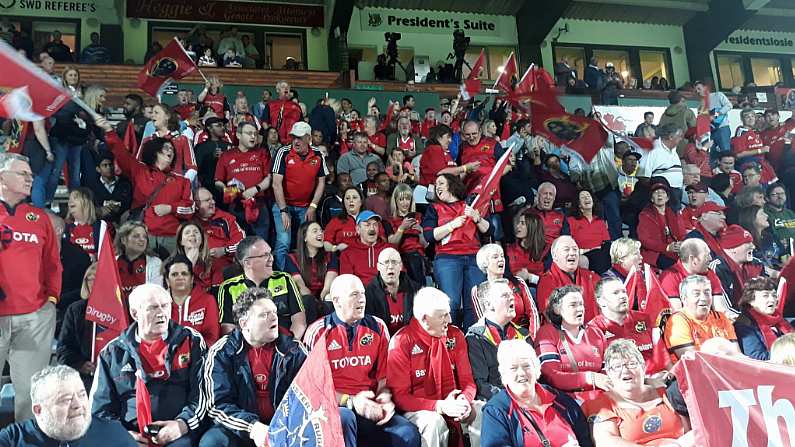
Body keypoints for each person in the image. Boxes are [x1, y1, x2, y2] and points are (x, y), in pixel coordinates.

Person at [304, 275, 421, 447]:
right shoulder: (318, 332)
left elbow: (384, 377)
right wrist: (350, 401)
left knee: (407, 434)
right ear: (336, 301)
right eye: (354, 295)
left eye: (363, 294)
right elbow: (312, 390)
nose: (362, 300)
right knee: (346, 419)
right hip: (335, 408)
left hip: (370, 407)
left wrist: (384, 398)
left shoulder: (378, 326)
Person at [92, 284, 208, 446]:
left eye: (165, 306)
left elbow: (203, 395)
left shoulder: (191, 340)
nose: (161, 312)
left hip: (179, 432)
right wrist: (122, 435)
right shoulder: (112, 351)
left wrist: (182, 424)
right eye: (153, 307)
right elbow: (100, 409)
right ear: (135, 313)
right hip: (130, 434)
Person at [201, 288, 307, 447]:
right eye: (264, 315)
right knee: (213, 441)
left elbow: (310, 395)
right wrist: (252, 427)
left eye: (274, 312)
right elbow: (217, 406)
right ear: (244, 323)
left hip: (286, 426)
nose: (274, 318)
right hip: (241, 429)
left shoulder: (293, 350)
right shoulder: (222, 352)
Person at [0, 152, 62, 421]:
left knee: (31, 395)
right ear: (2, 177)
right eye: (22, 174)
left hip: (35, 315)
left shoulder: (39, 218)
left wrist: (51, 300)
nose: (30, 179)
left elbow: (52, 263)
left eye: (30, 174)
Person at [387, 287, 479, 447]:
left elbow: (468, 382)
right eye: (443, 315)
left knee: (484, 411)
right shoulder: (402, 342)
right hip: (418, 409)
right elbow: (400, 397)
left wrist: (464, 400)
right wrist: (440, 406)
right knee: (434, 422)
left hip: (454, 403)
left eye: (448, 313)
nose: (450, 320)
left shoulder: (455, 335)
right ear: (424, 319)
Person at [100, 118, 195, 257]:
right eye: (166, 148)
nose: (171, 151)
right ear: (155, 151)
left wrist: (170, 208)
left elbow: (191, 208)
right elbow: (121, 153)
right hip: (142, 236)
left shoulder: (182, 181)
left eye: (172, 149)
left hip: (171, 237)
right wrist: (109, 131)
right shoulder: (140, 170)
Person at [480, 340, 592, 447]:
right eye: (513, 368)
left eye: (526, 366)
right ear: (504, 375)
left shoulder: (560, 399)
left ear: (536, 368)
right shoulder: (496, 411)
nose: (522, 373)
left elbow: (585, 440)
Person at [582, 340, 689, 446]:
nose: (625, 371)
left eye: (632, 364)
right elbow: (606, 441)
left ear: (643, 368)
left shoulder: (667, 393)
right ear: (608, 373)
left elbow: (693, 428)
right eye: (617, 367)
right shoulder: (601, 405)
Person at [0, 365, 136, 446]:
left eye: (82, 395)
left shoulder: (114, 435)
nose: (77, 405)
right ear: (39, 410)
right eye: (65, 400)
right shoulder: (13, 440)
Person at [422, 173, 490, 328]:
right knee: (451, 303)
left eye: (440, 183)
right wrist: (451, 225)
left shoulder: (471, 206)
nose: (436, 187)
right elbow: (429, 235)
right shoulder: (434, 208)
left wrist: (476, 217)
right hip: (448, 258)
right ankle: (450, 338)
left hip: (474, 258)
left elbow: (489, 230)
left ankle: (471, 339)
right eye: (436, 184)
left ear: (452, 184)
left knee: (474, 304)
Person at [217, 236, 306, 338]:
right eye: (265, 255)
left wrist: (288, 348)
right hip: (247, 348)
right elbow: (228, 329)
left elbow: (299, 323)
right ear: (248, 263)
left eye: (270, 253)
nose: (271, 259)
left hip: (284, 345)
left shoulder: (284, 279)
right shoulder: (228, 288)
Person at [535, 285, 609, 399]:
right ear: (557, 309)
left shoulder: (596, 334)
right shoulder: (547, 333)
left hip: (602, 398)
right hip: (566, 401)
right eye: (573, 305)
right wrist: (590, 378)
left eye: (581, 304)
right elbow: (551, 376)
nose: (580, 309)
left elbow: (608, 371)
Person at [271, 121, 328, 270]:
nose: (296, 141)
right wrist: (283, 210)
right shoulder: (282, 152)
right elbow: (276, 184)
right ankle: (284, 277)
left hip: (306, 207)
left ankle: (306, 274)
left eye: (300, 137)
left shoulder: (318, 154)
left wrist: (313, 207)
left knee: (308, 242)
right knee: (284, 241)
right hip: (284, 206)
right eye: (293, 137)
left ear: (309, 139)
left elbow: (321, 182)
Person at [467, 278, 533, 402]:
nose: (512, 297)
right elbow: (480, 385)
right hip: (497, 404)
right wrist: (511, 398)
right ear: (488, 304)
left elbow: (535, 374)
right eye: (505, 295)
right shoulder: (475, 337)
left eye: (512, 293)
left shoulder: (523, 334)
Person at [587, 277, 670, 375]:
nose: (623, 296)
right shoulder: (593, 329)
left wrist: (672, 375)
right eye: (615, 293)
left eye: (624, 292)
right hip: (623, 384)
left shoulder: (645, 319)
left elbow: (663, 358)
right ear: (601, 302)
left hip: (657, 378)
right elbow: (599, 372)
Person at [214, 121, 272, 242]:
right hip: (236, 205)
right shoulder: (226, 155)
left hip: (258, 204)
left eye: (255, 134)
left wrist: (256, 189)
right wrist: (229, 190)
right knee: (239, 242)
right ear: (239, 135)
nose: (253, 137)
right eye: (249, 133)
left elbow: (269, 178)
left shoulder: (262, 153)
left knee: (261, 242)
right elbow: (218, 181)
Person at [663, 274, 739, 362]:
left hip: (726, 369)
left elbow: (737, 354)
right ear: (684, 298)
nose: (703, 298)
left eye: (707, 293)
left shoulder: (720, 317)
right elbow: (693, 363)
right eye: (696, 294)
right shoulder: (678, 320)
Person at [472, 244, 541, 337]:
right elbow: (484, 321)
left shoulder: (518, 283)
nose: (501, 259)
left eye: (502, 256)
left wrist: (533, 339)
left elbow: (532, 312)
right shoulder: (478, 290)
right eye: (495, 257)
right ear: (485, 263)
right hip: (496, 340)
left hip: (523, 337)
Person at [537, 235, 601, 323]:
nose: (572, 253)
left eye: (575, 249)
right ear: (555, 256)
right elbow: (551, 316)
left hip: (594, 331)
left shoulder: (590, 277)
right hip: (563, 334)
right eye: (566, 250)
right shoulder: (547, 281)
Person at [57, 264, 98, 391]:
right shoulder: (76, 310)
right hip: (85, 377)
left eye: (97, 278)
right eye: (89, 279)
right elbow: (63, 349)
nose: (92, 283)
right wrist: (80, 365)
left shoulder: (123, 309)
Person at [164, 254, 220, 346]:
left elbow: (212, 339)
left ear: (192, 278)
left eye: (184, 273)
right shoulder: (159, 303)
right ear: (167, 280)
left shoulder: (207, 301)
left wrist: (188, 350)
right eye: (174, 274)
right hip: (165, 357)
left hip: (198, 356)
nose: (180, 277)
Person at [733, 277, 794, 360]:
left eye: (774, 295)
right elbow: (756, 356)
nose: (772, 300)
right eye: (765, 296)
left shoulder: (780, 319)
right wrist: (789, 355)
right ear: (750, 300)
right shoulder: (744, 324)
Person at [659, 238, 727, 312]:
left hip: (708, 321)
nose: (710, 258)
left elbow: (720, 309)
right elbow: (676, 313)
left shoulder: (710, 274)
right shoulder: (670, 277)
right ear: (693, 259)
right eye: (706, 255)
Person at [364, 247, 420, 334]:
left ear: (401, 266)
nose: (390, 267)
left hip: (410, 340)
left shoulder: (416, 290)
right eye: (386, 263)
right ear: (378, 266)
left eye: (394, 262)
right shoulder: (369, 294)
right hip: (382, 341)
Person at [714, 224, 764, 315]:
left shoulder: (757, 265)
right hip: (733, 321)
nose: (753, 246)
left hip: (757, 317)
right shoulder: (717, 269)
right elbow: (724, 309)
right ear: (733, 248)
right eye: (747, 243)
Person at [334, 210, 393, 287]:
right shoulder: (347, 253)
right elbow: (347, 281)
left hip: (386, 292)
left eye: (375, 225)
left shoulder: (389, 249)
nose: (372, 228)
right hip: (360, 293)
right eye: (367, 225)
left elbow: (400, 275)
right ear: (358, 229)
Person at [139, 103, 198, 180]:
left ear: (167, 116)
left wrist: (183, 184)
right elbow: (139, 164)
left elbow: (192, 167)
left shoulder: (182, 140)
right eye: (152, 113)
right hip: (152, 186)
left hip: (175, 185)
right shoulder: (147, 140)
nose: (152, 116)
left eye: (156, 113)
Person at [637, 182, 685, 270]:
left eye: (663, 192)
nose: (659, 194)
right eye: (656, 192)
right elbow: (644, 240)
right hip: (656, 253)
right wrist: (666, 247)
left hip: (676, 250)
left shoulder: (674, 213)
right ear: (652, 199)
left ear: (667, 198)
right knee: (676, 267)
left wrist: (681, 244)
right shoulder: (645, 215)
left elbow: (681, 234)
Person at [286, 221, 336, 305]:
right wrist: (314, 303)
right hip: (305, 298)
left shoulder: (330, 256)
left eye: (321, 230)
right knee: (306, 299)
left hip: (323, 298)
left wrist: (320, 302)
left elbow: (328, 287)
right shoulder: (292, 258)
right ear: (305, 237)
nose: (320, 233)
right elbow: (300, 285)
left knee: (329, 297)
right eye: (315, 231)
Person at [386, 182, 427, 284]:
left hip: (418, 256)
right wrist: (402, 228)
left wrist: (421, 232)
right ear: (395, 201)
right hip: (399, 256)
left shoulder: (419, 217)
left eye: (407, 199)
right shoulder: (390, 221)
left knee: (414, 258)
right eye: (401, 199)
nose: (405, 202)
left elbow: (425, 245)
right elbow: (392, 244)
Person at [639, 124, 685, 210]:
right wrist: (658, 190)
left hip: (677, 192)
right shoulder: (653, 150)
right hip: (662, 197)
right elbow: (643, 176)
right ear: (671, 137)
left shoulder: (674, 150)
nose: (681, 139)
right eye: (679, 136)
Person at [115, 221, 163, 298]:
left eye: (144, 237)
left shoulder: (155, 263)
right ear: (123, 240)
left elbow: (155, 294)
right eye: (136, 236)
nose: (142, 239)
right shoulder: (112, 262)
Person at [567, 190, 611, 273]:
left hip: (600, 255)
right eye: (583, 197)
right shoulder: (571, 221)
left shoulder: (600, 221)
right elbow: (569, 243)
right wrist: (590, 249)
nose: (586, 198)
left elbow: (606, 243)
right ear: (579, 204)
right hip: (583, 254)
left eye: (588, 196)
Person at [505, 208, 547, 286]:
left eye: (522, 223)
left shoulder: (546, 250)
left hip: (539, 289)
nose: (518, 226)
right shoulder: (509, 250)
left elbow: (550, 281)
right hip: (515, 289)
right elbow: (506, 275)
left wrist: (529, 277)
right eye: (518, 223)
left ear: (532, 227)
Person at [91, 151, 133, 225]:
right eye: (105, 165)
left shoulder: (125, 183)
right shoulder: (92, 186)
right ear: (98, 169)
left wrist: (119, 207)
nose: (109, 167)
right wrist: (101, 210)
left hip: (123, 222)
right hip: (100, 223)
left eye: (110, 165)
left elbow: (129, 203)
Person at [696, 80, 733, 157]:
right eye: (696, 90)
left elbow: (729, 105)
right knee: (711, 154)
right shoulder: (700, 104)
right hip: (709, 131)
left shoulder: (718, 95)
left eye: (699, 89)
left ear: (705, 88)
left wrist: (716, 115)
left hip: (722, 128)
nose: (697, 91)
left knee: (725, 152)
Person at [533, 182, 570, 248]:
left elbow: (565, 239)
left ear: (554, 198)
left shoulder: (561, 216)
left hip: (554, 251)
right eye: (545, 193)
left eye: (551, 194)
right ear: (538, 196)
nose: (548, 197)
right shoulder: (528, 214)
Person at [764, 183, 795, 251]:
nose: (780, 196)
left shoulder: (791, 213)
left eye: (782, 193)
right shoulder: (764, 215)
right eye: (775, 194)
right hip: (780, 250)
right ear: (767, 198)